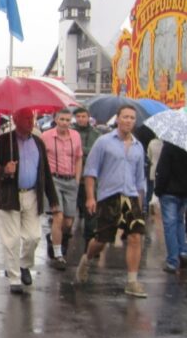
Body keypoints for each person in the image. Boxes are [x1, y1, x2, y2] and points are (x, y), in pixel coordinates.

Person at [76, 104, 148, 297]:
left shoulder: (138, 147)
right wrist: (91, 197)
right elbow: (90, 171)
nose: (128, 121)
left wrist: (141, 204)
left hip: (131, 195)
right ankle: (86, 258)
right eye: (125, 117)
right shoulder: (104, 142)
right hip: (109, 196)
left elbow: (140, 179)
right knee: (102, 240)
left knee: (135, 237)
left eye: (132, 118)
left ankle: (132, 281)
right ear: (117, 119)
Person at [0, 107, 59, 293]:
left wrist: (53, 199)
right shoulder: (4, 142)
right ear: (15, 119)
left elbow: (45, 172)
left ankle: (24, 264)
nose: (30, 122)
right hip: (10, 197)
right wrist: (5, 171)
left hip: (32, 195)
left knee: (33, 237)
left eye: (31, 118)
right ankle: (14, 278)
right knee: (11, 240)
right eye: (25, 119)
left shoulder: (38, 143)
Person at [40, 107, 82, 269]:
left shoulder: (75, 136)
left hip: (71, 180)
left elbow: (78, 158)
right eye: (62, 119)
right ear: (55, 120)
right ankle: (58, 255)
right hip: (54, 180)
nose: (65, 123)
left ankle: (54, 238)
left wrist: (77, 179)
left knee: (69, 222)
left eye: (67, 120)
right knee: (58, 216)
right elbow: (42, 159)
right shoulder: (46, 136)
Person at [153, 142, 187, 273]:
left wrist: (158, 190)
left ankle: (172, 261)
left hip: (169, 191)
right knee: (180, 222)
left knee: (170, 225)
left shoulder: (170, 146)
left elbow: (163, 170)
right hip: (186, 192)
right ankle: (183, 252)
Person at [72, 106, 102, 241]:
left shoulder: (96, 133)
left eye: (83, 116)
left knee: (91, 211)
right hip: (73, 176)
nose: (81, 119)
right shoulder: (71, 132)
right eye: (78, 116)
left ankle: (89, 239)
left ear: (88, 117)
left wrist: (80, 150)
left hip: (90, 177)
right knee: (69, 212)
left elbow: (97, 152)